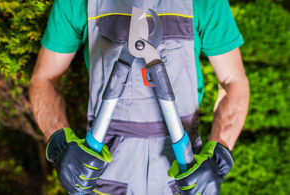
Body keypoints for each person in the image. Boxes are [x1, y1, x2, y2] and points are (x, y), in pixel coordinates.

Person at [29, 0, 249, 194]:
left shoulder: (207, 2)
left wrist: (219, 152)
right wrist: (60, 142)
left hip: (186, 174)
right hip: (100, 174)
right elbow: (44, 78)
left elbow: (233, 82)